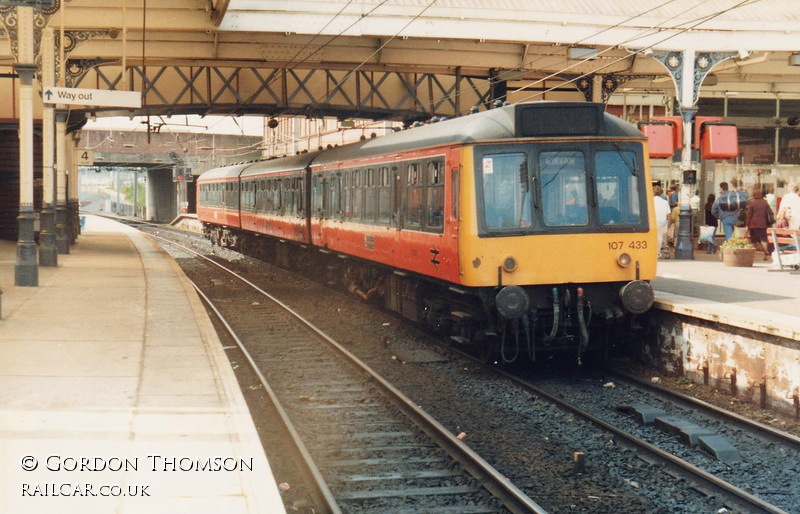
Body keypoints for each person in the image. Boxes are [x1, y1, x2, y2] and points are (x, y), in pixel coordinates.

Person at [746, 188, 774, 260]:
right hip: (763, 224)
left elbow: (749, 215)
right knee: (763, 239)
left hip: (753, 225)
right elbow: (770, 212)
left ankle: (753, 255)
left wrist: (747, 225)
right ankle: (766, 251)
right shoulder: (765, 202)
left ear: (753, 195)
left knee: (753, 240)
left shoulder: (752, 203)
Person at [653, 186, 670, 257]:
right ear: (661, 193)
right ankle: (657, 253)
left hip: (652, 220)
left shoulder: (650, 201)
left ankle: (651, 252)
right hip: (661, 221)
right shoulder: (665, 202)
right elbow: (668, 213)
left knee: (651, 236)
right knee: (659, 237)